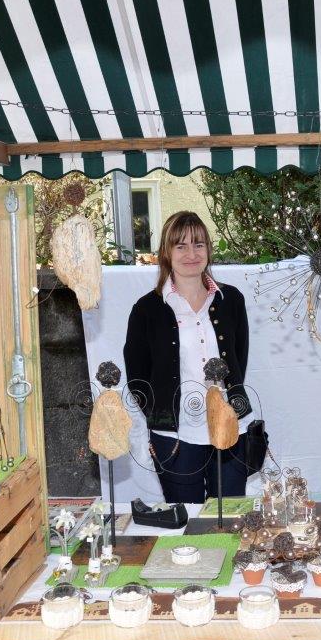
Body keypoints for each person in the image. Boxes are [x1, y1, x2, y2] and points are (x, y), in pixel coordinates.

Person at [123, 211, 252, 503]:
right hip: (176, 438)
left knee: (230, 513)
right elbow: (137, 376)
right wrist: (161, 417)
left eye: (198, 244)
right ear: (166, 253)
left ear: (208, 249)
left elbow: (239, 360)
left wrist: (227, 405)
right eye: (181, 246)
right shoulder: (146, 309)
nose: (191, 254)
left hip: (231, 427)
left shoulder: (231, 300)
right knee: (186, 518)